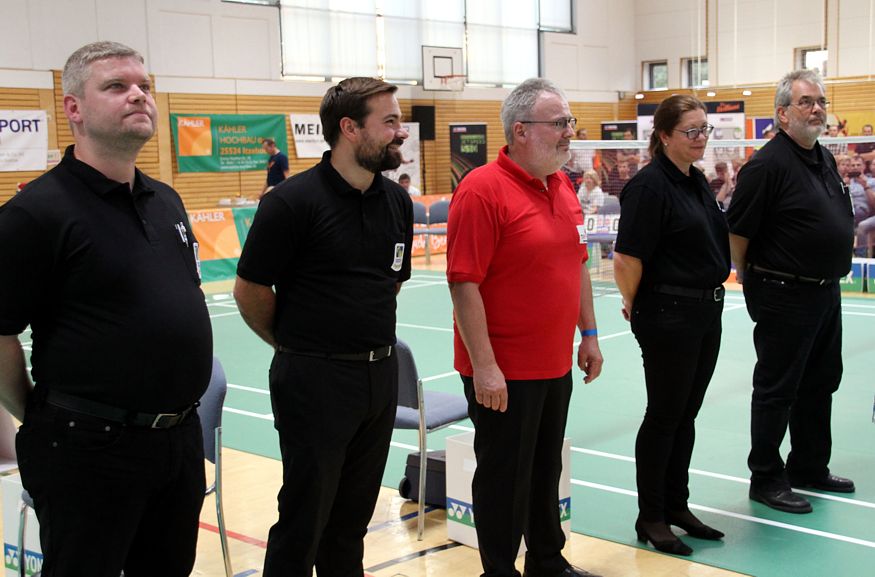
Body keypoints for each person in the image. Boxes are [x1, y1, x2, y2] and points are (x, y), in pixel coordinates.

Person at [0, 41, 212, 576]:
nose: (138, 95)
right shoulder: (35, 213)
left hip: (178, 443)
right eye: (117, 86)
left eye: (144, 85)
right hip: (86, 450)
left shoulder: (167, 200)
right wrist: (42, 416)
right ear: (73, 108)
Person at [234, 76, 413, 577]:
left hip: (379, 378)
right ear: (350, 128)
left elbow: (389, 283)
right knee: (304, 521)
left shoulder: (396, 203)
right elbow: (250, 291)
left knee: (351, 521)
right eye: (391, 121)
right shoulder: (291, 203)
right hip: (314, 382)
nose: (401, 131)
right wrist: (299, 346)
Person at [447, 78, 604, 577]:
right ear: (520, 130)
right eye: (559, 124)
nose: (568, 133)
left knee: (544, 469)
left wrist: (591, 335)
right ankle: (498, 570)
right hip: (503, 373)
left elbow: (577, 263)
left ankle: (546, 560)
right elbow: (464, 284)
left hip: (554, 363)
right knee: (503, 477)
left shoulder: (562, 185)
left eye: (569, 123)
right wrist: (486, 367)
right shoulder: (481, 191)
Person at [727, 69, 855, 515]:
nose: (816, 108)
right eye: (806, 102)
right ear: (782, 114)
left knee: (821, 381)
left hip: (826, 292)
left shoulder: (823, 158)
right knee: (777, 388)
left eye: (820, 100)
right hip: (784, 293)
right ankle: (765, 476)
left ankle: (809, 466)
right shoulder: (766, 165)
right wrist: (756, 284)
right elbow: (737, 233)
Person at [613, 95, 729, 557]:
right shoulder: (648, 187)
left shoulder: (695, 181)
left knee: (686, 414)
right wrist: (635, 303)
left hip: (705, 312)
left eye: (705, 130)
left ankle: (676, 505)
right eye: (692, 131)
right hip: (668, 314)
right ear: (664, 136)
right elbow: (627, 258)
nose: (701, 138)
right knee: (664, 416)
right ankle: (652, 516)